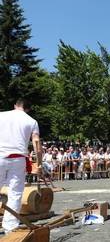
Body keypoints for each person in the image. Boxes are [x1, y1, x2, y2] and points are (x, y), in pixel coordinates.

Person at [0, 99, 43, 233]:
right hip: (18, 158)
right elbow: (36, 143)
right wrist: (40, 164)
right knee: (15, 193)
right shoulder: (31, 121)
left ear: (15, 106)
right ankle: (10, 226)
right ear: (28, 109)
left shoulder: (1, 115)